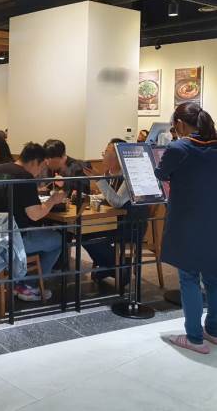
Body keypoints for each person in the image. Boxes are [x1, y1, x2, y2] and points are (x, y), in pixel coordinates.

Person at [155, 102, 217, 354]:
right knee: (213, 277)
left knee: (189, 277)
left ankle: (194, 337)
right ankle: (213, 330)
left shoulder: (179, 147)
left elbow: (161, 173)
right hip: (214, 221)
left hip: (187, 220)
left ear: (180, 124)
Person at [0, 143, 65, 301]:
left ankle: (19, 275)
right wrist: (53, 200)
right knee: (59, 239)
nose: (40, 171)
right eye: (41, 166)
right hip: (13, 240)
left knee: (41, 234)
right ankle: (27, 285)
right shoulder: (25, 177)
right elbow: (35, 215)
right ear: (34, 162)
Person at [83, 138, 147, 285]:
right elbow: (109, 195)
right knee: (84, 234)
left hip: (131, 226)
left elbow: (117, 201)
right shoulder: (112, 173)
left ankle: (118, 268)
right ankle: (113, 267)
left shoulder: (129, 174)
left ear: (118, 156)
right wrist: (88, 197)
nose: (103, 155)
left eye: (106, 152)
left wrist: (99, 179)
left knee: (88, 237)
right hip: (116, 222)